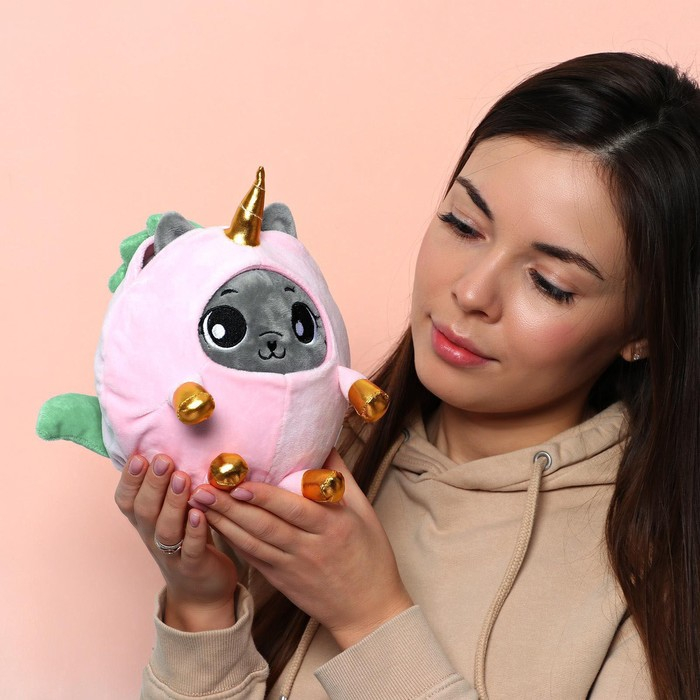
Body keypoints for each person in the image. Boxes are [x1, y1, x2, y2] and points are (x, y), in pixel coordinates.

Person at [115, 52, 700, 699]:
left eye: (549, 282)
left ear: (645, 329)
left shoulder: (663, 567)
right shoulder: (309, 463)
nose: (471, 291)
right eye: (463, 224)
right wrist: (201, 605)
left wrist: (369, 617)